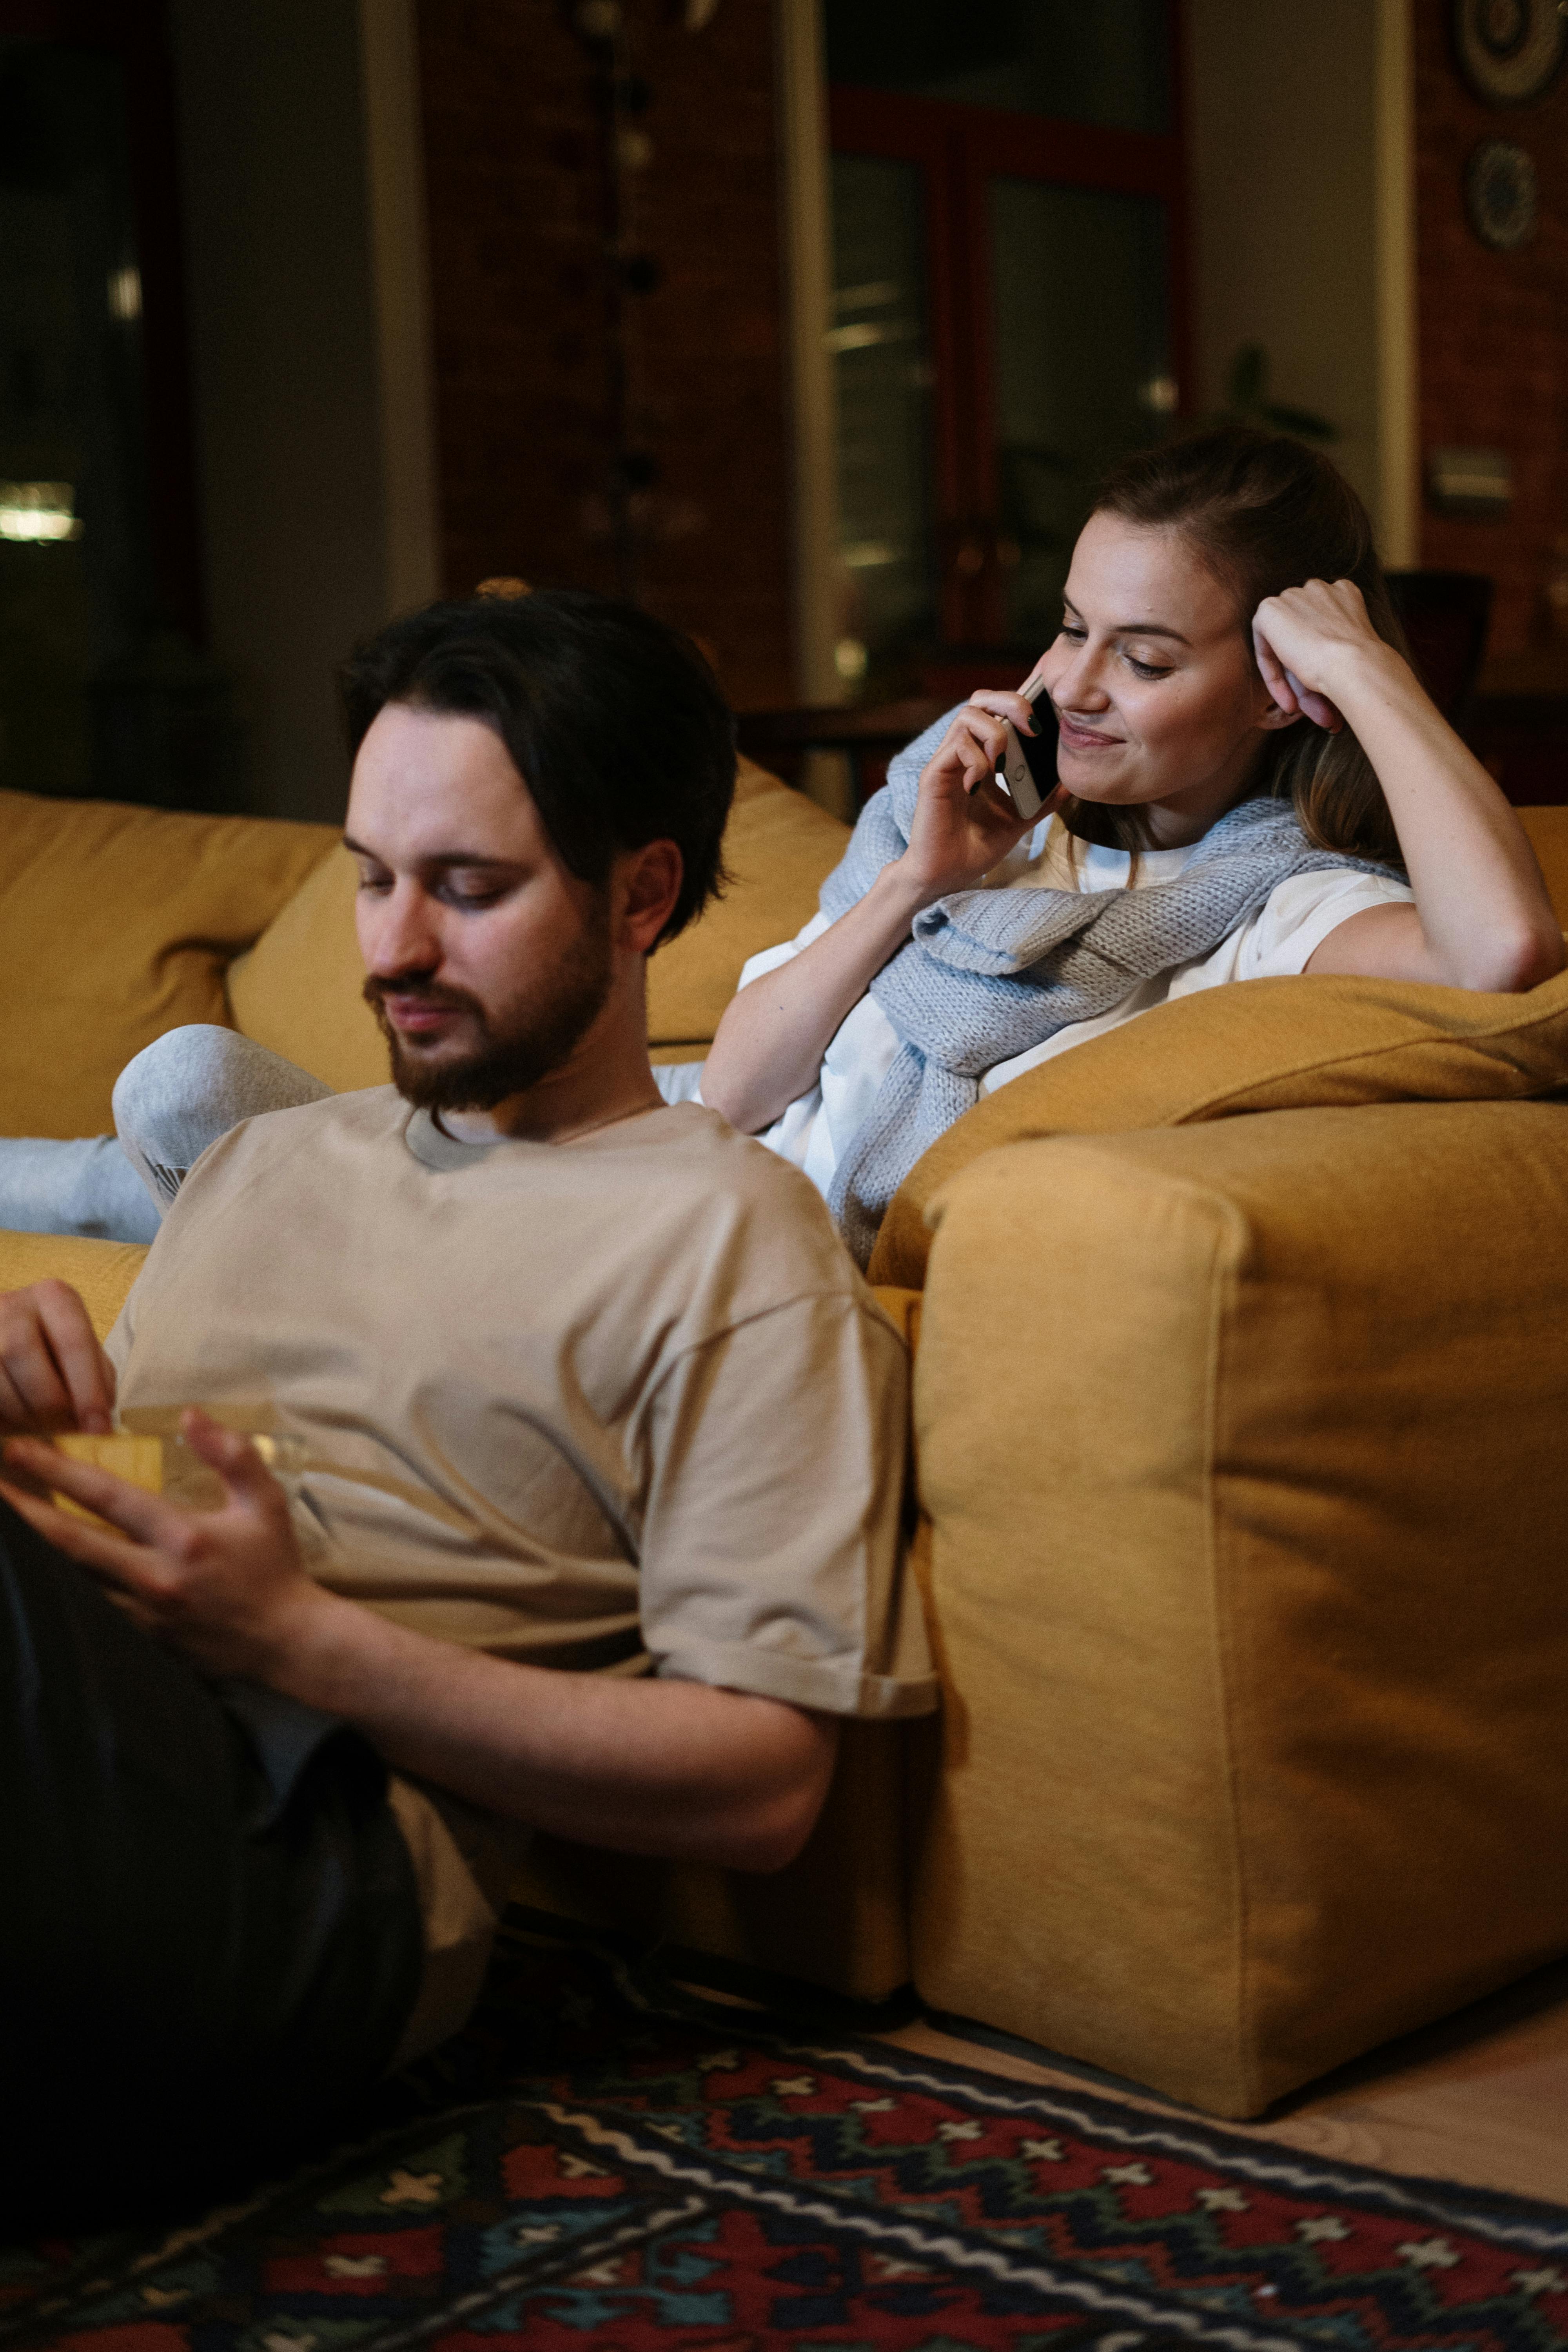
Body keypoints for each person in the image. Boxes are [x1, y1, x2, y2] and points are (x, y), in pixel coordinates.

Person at [0, 590, 933, 2225]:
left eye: (468, 889)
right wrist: (46, 1443)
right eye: (369, 877)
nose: (390, 947)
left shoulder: (722, 1233)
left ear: (641, 893)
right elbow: (166, 1515)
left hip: (320, 1876)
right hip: (88, 1767)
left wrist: (298, 1639)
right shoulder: (267, 1160)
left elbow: (766, 1784)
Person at [697, 428, 1565, 1263]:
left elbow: (1503, 951)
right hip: (730, 1213)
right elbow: (731, 1097)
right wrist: (913, 883)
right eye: (1073, 629)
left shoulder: (1282, 908)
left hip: (834, 1282)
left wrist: (1362, 669)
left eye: (1144, 662)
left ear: (1277, 692)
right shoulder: (963, 818)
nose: (1073, 687)